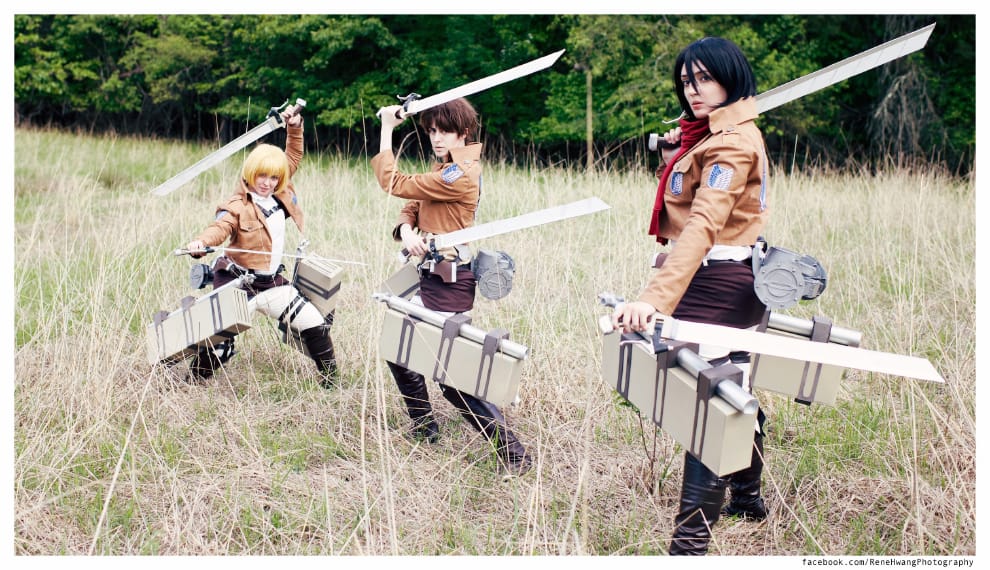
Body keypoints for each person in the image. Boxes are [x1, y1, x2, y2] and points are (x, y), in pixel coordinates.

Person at [611, 37, 769, 555]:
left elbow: (702, 224)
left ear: (730, 78)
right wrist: (674, 149)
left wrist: (653, 300)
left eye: (704, 78)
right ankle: (747, 499)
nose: (693, 90)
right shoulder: (713, 135)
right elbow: (687, 188)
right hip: (721, 279)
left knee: (707, 405)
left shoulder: (731, 144)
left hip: (718, 283)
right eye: (686, 81)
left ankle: (688, 547)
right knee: (732, 388)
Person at [372, 97, 532, 477]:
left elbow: (395, 183)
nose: (436, 137)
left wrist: (386, 129)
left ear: (464, 132)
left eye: (444, 131)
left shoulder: (460, 173)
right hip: (428, 277)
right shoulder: (443, 166)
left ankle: (514, 454)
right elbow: (413, 203)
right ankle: (425, 427)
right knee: (399, 349)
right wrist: (408, 230)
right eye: (431, 130)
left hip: (449, 283)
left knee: (451, 378)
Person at [184, 108, 338, 386]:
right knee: (218, 345)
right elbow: (219, 227)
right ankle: (192, 383)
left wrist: (295, 126)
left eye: (274, 177)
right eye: (262, 176)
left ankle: (331, 383)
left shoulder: (280, 193)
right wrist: (201, 243)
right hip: (239, 284)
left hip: (271, 284)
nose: (268, 183)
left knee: (315, 324)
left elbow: (293, 156)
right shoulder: (236, 205)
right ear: (251, 174)